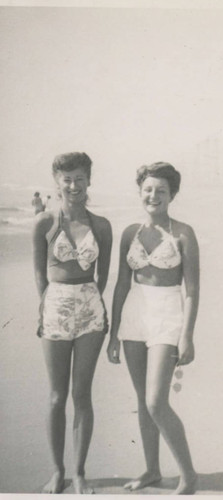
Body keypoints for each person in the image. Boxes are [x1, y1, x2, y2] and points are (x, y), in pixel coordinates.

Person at [107, 162, 200, 495]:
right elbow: (120, 284)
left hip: (167, 315)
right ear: (140, 191)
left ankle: (188, 474)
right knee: (142, 399)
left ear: (172, 194)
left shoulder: (184, 233)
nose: (154, 195)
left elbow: (191, 290)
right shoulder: (131, 232)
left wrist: (187, 336)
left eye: (161, 190)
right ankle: (152, 469)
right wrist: (113, 333)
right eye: (148, 189)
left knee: (155, 401)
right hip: (135, 313)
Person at [32, 152, 112, 494]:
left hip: (90, 309)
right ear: (56, 182)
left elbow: (104, 272)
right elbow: (39, 270)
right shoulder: (44, 221)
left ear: (89, 180)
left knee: (82, 395)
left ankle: (79, 472)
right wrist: (46, 304)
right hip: (55, 307)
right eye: (67, 179)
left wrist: (93, 301)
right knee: (55, 396)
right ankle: (57, 471)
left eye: (80, 178)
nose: (73, 185)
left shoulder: (101, 225)